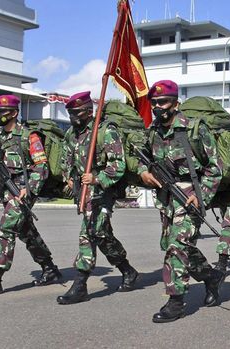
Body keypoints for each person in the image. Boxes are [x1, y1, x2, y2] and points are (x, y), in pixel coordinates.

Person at [137, 80, 225, 323]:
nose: (158, 106)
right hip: (166, 198)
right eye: (153, 103)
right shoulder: (154, 130)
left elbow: (215, 168)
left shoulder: (194, 129)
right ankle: (211, 277)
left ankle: (175, 301)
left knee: (176, 247)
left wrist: (201, 195)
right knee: (176, 245)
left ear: (176, 103)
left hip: (190, 196)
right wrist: (143, 171)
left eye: (163, 102)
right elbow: (144, 156)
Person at [0, 95, 61, 297]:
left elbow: (41, 166)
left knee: (7, 228)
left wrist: (28, 188)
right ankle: (49, 269)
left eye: (3, 112)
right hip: (6, 190)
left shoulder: (29, 136)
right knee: (27, 232)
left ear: (14, 113)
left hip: (23, 191)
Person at [57, 91, 138, 305]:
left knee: (89, 233)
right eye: (71, 113)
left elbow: (117, 164)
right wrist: (69, 179)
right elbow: (65, 160)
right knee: (102, 234)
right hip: (83, 192)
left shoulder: (104, 131)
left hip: (103, 191)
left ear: (89, 111)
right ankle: (127, 269)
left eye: (77, 112)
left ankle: (80, 284)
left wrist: (97, 178)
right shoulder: (71, 135)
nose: (74, 117)